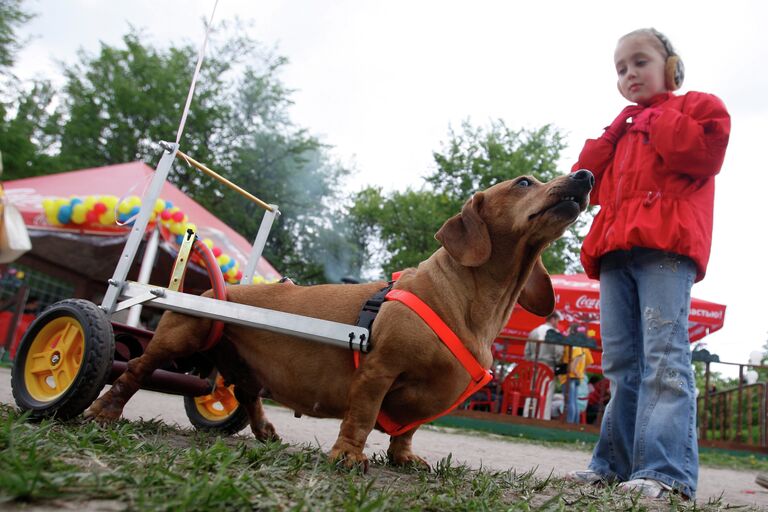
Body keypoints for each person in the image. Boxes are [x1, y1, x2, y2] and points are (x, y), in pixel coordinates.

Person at [566, 28, 730, 500]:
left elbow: (700, 155)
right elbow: (586, 181)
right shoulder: (624, 128)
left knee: (663, 357)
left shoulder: (698, 107)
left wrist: (655, 116)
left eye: (639, 62)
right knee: (620, 362)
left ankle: (667, 472)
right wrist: (616, 129)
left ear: (671, 66)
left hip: (666, 250)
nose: (629, 74)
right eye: (620, 69)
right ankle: (613, 466)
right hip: (616, 251)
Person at [524, 311, 562, 420]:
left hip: (534, 366)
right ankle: (542, 418)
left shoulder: (534, 331)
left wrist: (530, 362)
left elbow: (527, 351)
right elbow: (559, 354)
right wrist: (558, 364)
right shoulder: (555, 333)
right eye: (558, 321)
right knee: (547, 393)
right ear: (553, 319)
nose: (558, 323)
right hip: (548, 367)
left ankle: (527, 415)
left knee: (532, 391)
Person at [559, 341, 593, 423]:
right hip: (578, 378)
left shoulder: (571, 346)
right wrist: (581, 371)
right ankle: (575, 424)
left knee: (569, 402)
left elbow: (571, 365)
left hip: (570, 376)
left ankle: (569, 423)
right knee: (574, 402)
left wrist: (576, 371)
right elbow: (589, 362)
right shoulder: (584, 347)